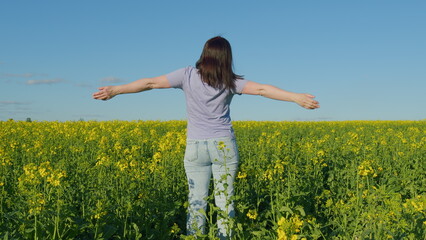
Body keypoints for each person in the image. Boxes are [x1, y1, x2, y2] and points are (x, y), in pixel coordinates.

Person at [92, 36, 320, 239]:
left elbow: (150, 83)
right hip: (224, 146)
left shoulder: (186, 75)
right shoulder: (230, 81)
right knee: (225, 201)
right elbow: (262, 90)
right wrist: (295, 97)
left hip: (195, 147)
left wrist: (115, 91)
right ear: (226, 58)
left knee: (197, 201)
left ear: (205, 55)